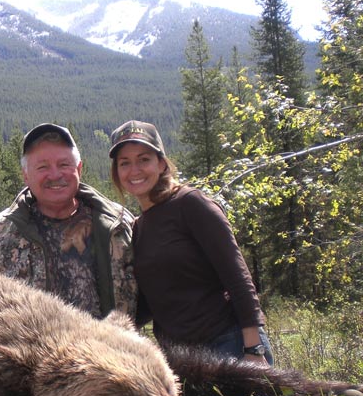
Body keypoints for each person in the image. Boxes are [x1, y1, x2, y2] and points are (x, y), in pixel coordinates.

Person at [108, 119, 274, 364]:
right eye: (125, 163)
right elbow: (154, 301)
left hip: (228, 345)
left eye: (144, 159)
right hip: (181, 358)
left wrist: (254, 349)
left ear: (162, 163)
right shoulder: (138, 228)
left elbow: (238, 278)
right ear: (117, 172)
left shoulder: (190, 204)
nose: (135, 170)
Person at [0, 123, 136, 319]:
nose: (55, 175)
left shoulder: (118, 225)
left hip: (108, 348)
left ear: (79, 170)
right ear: (26, 176)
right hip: (27, 349)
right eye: (42, 167)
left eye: (64, 165)